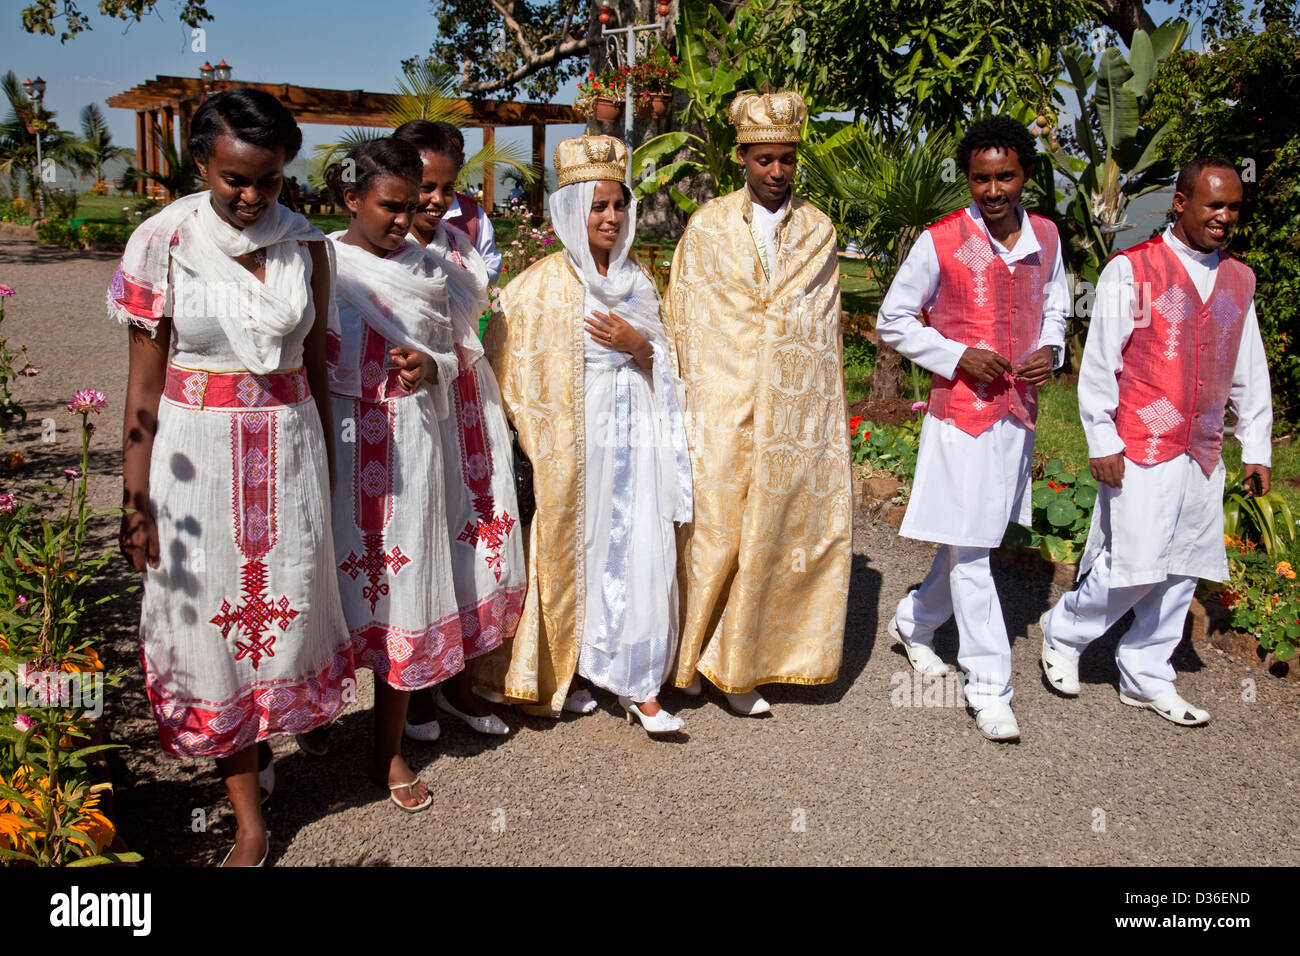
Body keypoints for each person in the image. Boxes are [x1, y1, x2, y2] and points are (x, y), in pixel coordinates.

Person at [112, 88, 354, 866]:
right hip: (195, 463)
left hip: (288, 456)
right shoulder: (164, 242)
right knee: (213, 627)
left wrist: (332, 471)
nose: (253, 198)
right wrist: (135, 500)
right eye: (234, 181)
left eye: (271, 181)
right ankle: (249, 815)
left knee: (285, 610)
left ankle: (284, 732)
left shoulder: (308, 247)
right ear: (201, 166)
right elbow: (144, 389)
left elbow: (316, 366)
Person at [1038, 157, 1272, 726]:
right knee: (1135, 564)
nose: (1224, 217)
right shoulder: (1133, 271)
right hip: (1142, 440)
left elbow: (1249, 367)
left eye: (1233, 207)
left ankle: (1146, 672)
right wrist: (1101, 437)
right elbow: (1100, 363)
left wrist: (1256, 446)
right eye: (1213, 204)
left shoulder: (1239, 280)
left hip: (1203, 447)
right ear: (1181, 203)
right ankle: (1064, 632)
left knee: (1181, 568)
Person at [479, 134, 693, 733]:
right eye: (597, 206)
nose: (611, 217)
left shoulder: (639, 282)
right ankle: (571, 668)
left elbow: (672, 364)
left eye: (619, 205)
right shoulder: (538, 288)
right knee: (583, 548)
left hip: (638, 436)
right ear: (572, 210)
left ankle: (639, 683)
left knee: (638, 546)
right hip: (575, 445)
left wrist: (641, 347)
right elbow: (507, 373)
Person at [877, 116, 1068, 742]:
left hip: (1017, 415)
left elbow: (1057, 304)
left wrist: (1053, 348)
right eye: (981, 178)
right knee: (974, 551)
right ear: (968, 179)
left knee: (972, 540)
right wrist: (957, 355)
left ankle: (911, 620)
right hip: (961, 418)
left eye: (1006, 176)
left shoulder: (1046, 236)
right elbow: (895, 319)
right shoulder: (940, 241)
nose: (993, 190)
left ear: (1026, 175)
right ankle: (989, 687)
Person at [663, 91, 850, 716]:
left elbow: (818, 334)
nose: (777, 172)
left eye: (787, 160)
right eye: (764, 159)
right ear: (741, 158)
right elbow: (686, 316)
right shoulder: (708, 225)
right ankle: (687, 658)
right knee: (712, 533)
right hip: (718, 403)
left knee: (769, 535)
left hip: (789, 413)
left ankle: (737, 669)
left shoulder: (819, 230)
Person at [324, 137, 463, 810]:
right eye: (390, 206)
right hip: (337, 450)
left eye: (412, 206)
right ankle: (312, 717)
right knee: (326, 596)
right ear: (352, 200)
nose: (405, 220)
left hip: (410, 448)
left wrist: (428, 367)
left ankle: (388, 750)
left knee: (401, 597)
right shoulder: (319, 261)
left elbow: (452, 357)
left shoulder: (428, 270)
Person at [392, 119, 525, 741]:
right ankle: (415, 692)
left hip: (469, 404)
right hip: (411, 415)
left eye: (446, 187)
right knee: (420, 545)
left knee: (471, 539)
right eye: (423, 185)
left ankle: (460, 684)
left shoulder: (464, 246)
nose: (435, 200)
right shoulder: (374, 251)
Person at [433, 122, 503, 284]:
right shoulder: (404, 210)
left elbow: (491, 265)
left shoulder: (473, 215)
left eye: (451, 154)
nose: (443, 160)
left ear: (461, 160)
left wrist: (460, 278)